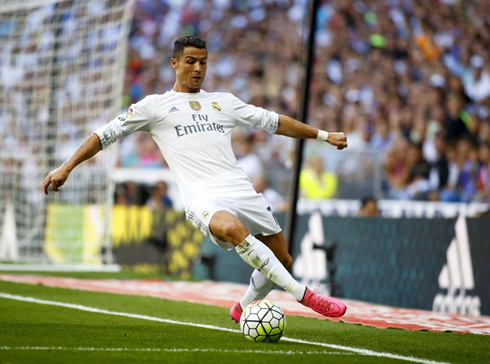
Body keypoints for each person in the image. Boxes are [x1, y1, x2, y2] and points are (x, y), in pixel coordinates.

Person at [43, 36, 348, 321]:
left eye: (203, 62)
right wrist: (66, 167)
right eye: (190, 61)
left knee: (282, 259)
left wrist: (323, 135)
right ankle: (303, 295)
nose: (198, 68)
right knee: (232, 229)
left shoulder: (224, 102)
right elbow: (105, 134)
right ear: (174, 63)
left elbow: (275, 122)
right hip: (202, 197)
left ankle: (241, 309)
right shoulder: (154, 106)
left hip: (241, 189)